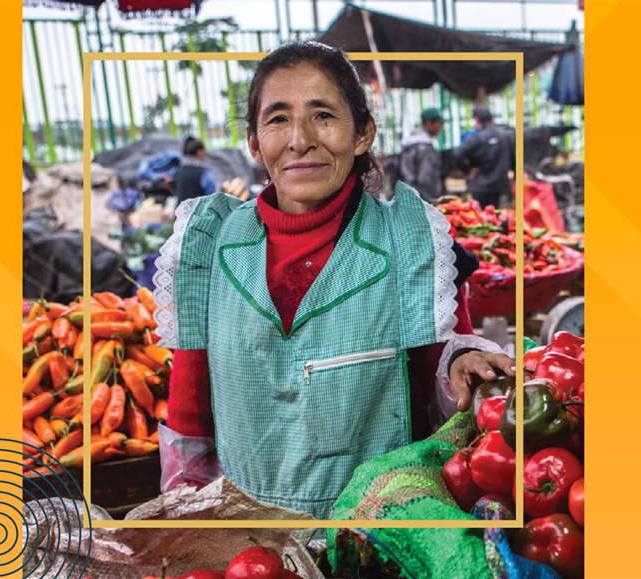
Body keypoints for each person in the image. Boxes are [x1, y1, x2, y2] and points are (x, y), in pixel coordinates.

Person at [153, 41, 516, 519]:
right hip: (249, 543)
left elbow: (447, 393)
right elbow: (190, 421)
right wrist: (190, 524)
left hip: (377, 534)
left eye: (323, 115)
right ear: (254, 142)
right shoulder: (207, 246)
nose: (300, 139)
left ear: (362, 132)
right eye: (278, 119)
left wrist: (463, 362)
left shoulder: (414, 243)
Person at [453, 105, 517, 209]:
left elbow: (457, 154)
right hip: (499, 186)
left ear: (476, 119)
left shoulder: (476, 138)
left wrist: (467, 170)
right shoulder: (506, 137)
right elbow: (515, 159)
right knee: (496, 217)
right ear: (492, 119)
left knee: (480, 219)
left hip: (479, 185)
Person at [398, 108, 446, 200]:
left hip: (410, 195)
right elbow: (426, 178)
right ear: (428, 123)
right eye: (438, 123)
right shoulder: (425, 148)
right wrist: (432, 201)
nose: (440, 126)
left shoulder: (411, 144)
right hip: (423, 198)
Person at [173, 136, 220, 206]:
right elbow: (213, 194)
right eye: (204, 150)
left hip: (181, 214)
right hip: (199, 214)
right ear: (199, 152)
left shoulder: (180, 168)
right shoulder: (203, 171)